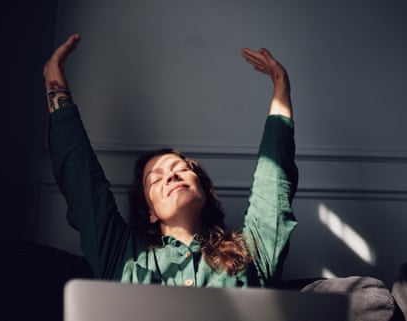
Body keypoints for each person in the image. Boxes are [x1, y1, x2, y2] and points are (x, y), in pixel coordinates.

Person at [43, 34, 298, 288]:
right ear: (150, 212)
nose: (171, 176)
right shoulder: (121, 252)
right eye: (154, 178)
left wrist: (280, 83)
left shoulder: (251, 251)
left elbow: (273, 182)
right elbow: (80, 177)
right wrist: (54, 80)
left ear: (205, 191)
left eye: (181, 169)